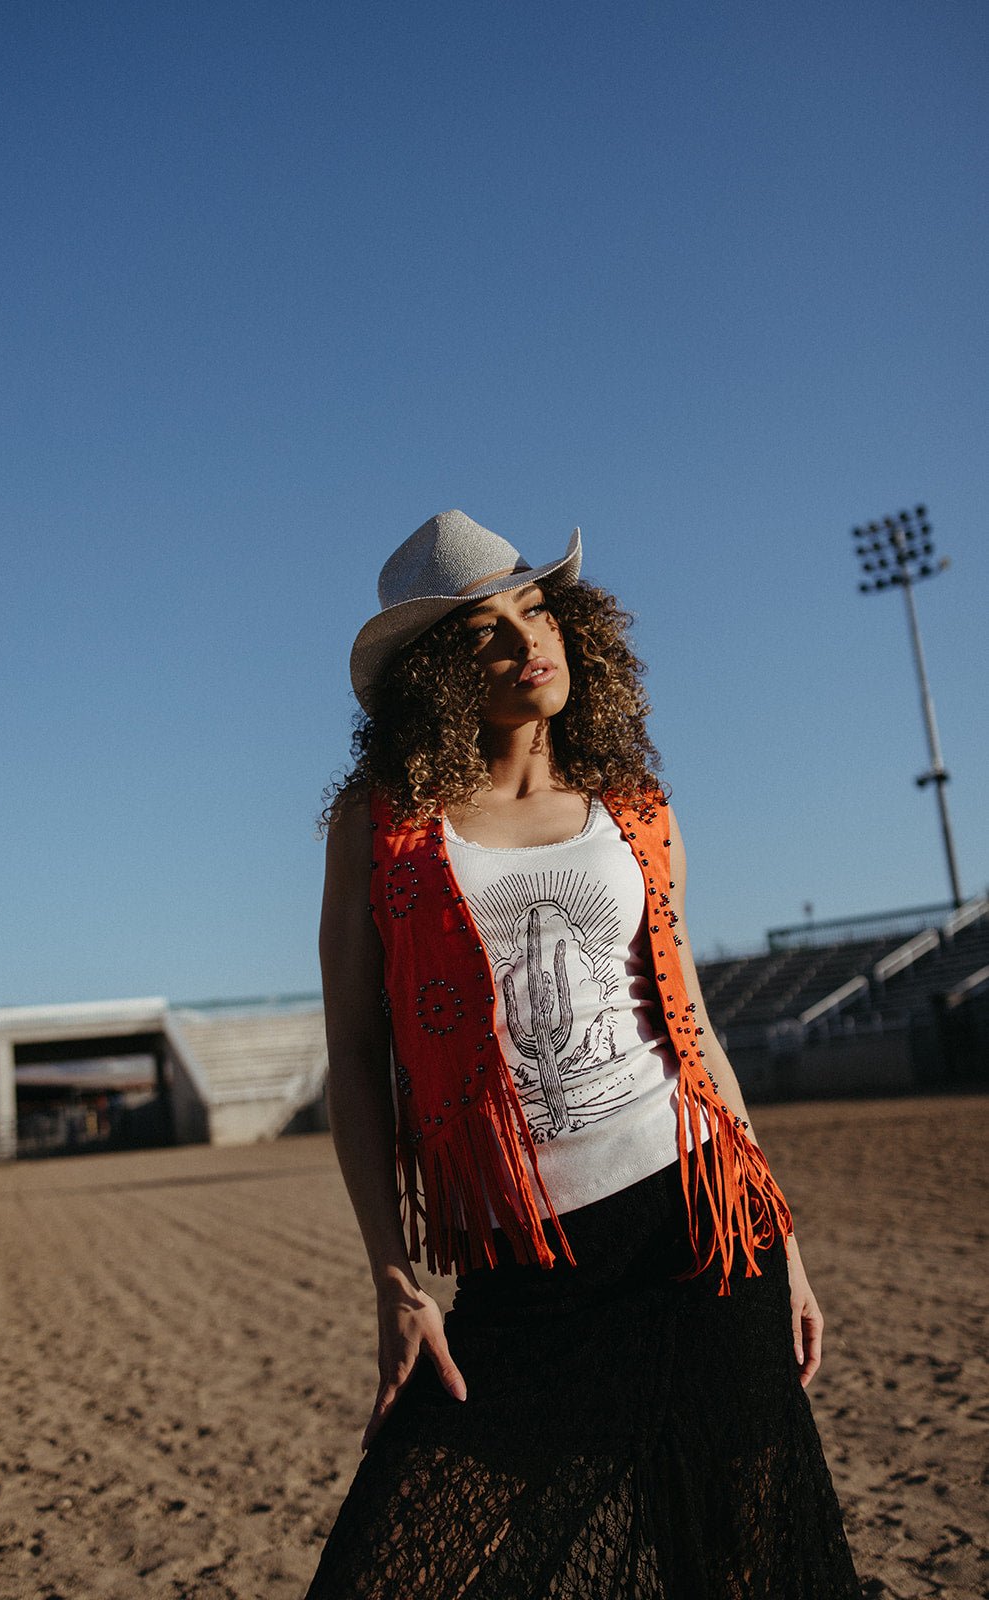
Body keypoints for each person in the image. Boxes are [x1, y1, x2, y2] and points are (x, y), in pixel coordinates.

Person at [306, 510, 861, 1598]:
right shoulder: (380, 823)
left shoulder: (634, 809)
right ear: (431, 673)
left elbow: (690, 1027)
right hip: (521, 1281)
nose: (528, 642)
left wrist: (777, 1235)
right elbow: (354, 1050)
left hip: (699, 1237)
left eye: (538, 610)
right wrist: (392, 1276)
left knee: (745, 1565)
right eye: (484, 633)